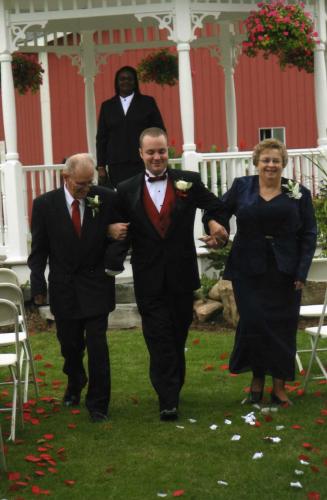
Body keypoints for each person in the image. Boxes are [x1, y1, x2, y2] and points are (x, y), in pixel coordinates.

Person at [107, 127, 227, 421]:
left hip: (181, 275)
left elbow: (215, 206)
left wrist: (214, 224)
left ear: (168, 150)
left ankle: (173, 386)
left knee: (176, 334)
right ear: (141, 154)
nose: (157, 157)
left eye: (161, 151)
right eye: (151, 152)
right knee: (157, 336)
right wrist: (111, 230)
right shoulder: (126, 189)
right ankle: (167, 399)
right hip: (148, 277)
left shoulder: (188, 181)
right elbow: (113, 221)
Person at [208, 138, 317, 405]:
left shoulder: (297, 192)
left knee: (282, 326)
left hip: (285, 270)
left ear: (283, 164)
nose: (270, 165)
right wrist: (216, 227)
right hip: (248, 268)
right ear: (256, 162)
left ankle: (279, 388)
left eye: (276, 161)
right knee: (254, 323)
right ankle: (256, 383)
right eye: (266, 160)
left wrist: (301, 272)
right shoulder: (242, 187)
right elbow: (218, 210)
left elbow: (309, 234)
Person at [28, 153, 124, 423]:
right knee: (70, 346)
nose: (86, 190)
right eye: (80, 184)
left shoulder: (106, 198)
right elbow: (39, 251)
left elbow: (121, 235)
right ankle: (75, 378)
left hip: (96, 284)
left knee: (97, 346)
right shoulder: (45, 205)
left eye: (89, 183)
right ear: (66, 178)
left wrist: (112, 257)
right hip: (64, 286)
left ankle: (98, 404)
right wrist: (38, 285)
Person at [96, 66, 165, 188]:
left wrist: (156, 155)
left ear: (135, 82)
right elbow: (101, 138)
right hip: (116, 163)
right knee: (121, 198)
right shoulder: (107, 106)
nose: (126, 82)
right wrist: (101, 166)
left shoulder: (147, 102)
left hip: (142, 161)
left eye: (129, 79)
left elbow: (159, 131)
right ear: (117, 82)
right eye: (122, 79)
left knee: (141, 195)